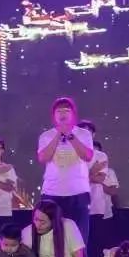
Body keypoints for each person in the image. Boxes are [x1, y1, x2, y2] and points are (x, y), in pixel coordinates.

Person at [37, 97, 94, 245]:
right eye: (59, 111)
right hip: (52, 193)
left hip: (78, 193)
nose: (63, 114)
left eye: (66, 110)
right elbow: (43, 158)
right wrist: (58, 134)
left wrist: (69, 135)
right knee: (51, 240)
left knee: (79, 240)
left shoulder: (84, 134)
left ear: (73, 114)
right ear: (53, 116)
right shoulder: (46, 136)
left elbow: (87, 156)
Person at [88, 140, 118, 257]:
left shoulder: (109, 172)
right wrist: (92, 177)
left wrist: (98, 181)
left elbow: (113, 190)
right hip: (85, 211)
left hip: (104, 213)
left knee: (100, 246)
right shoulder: (79, 169)